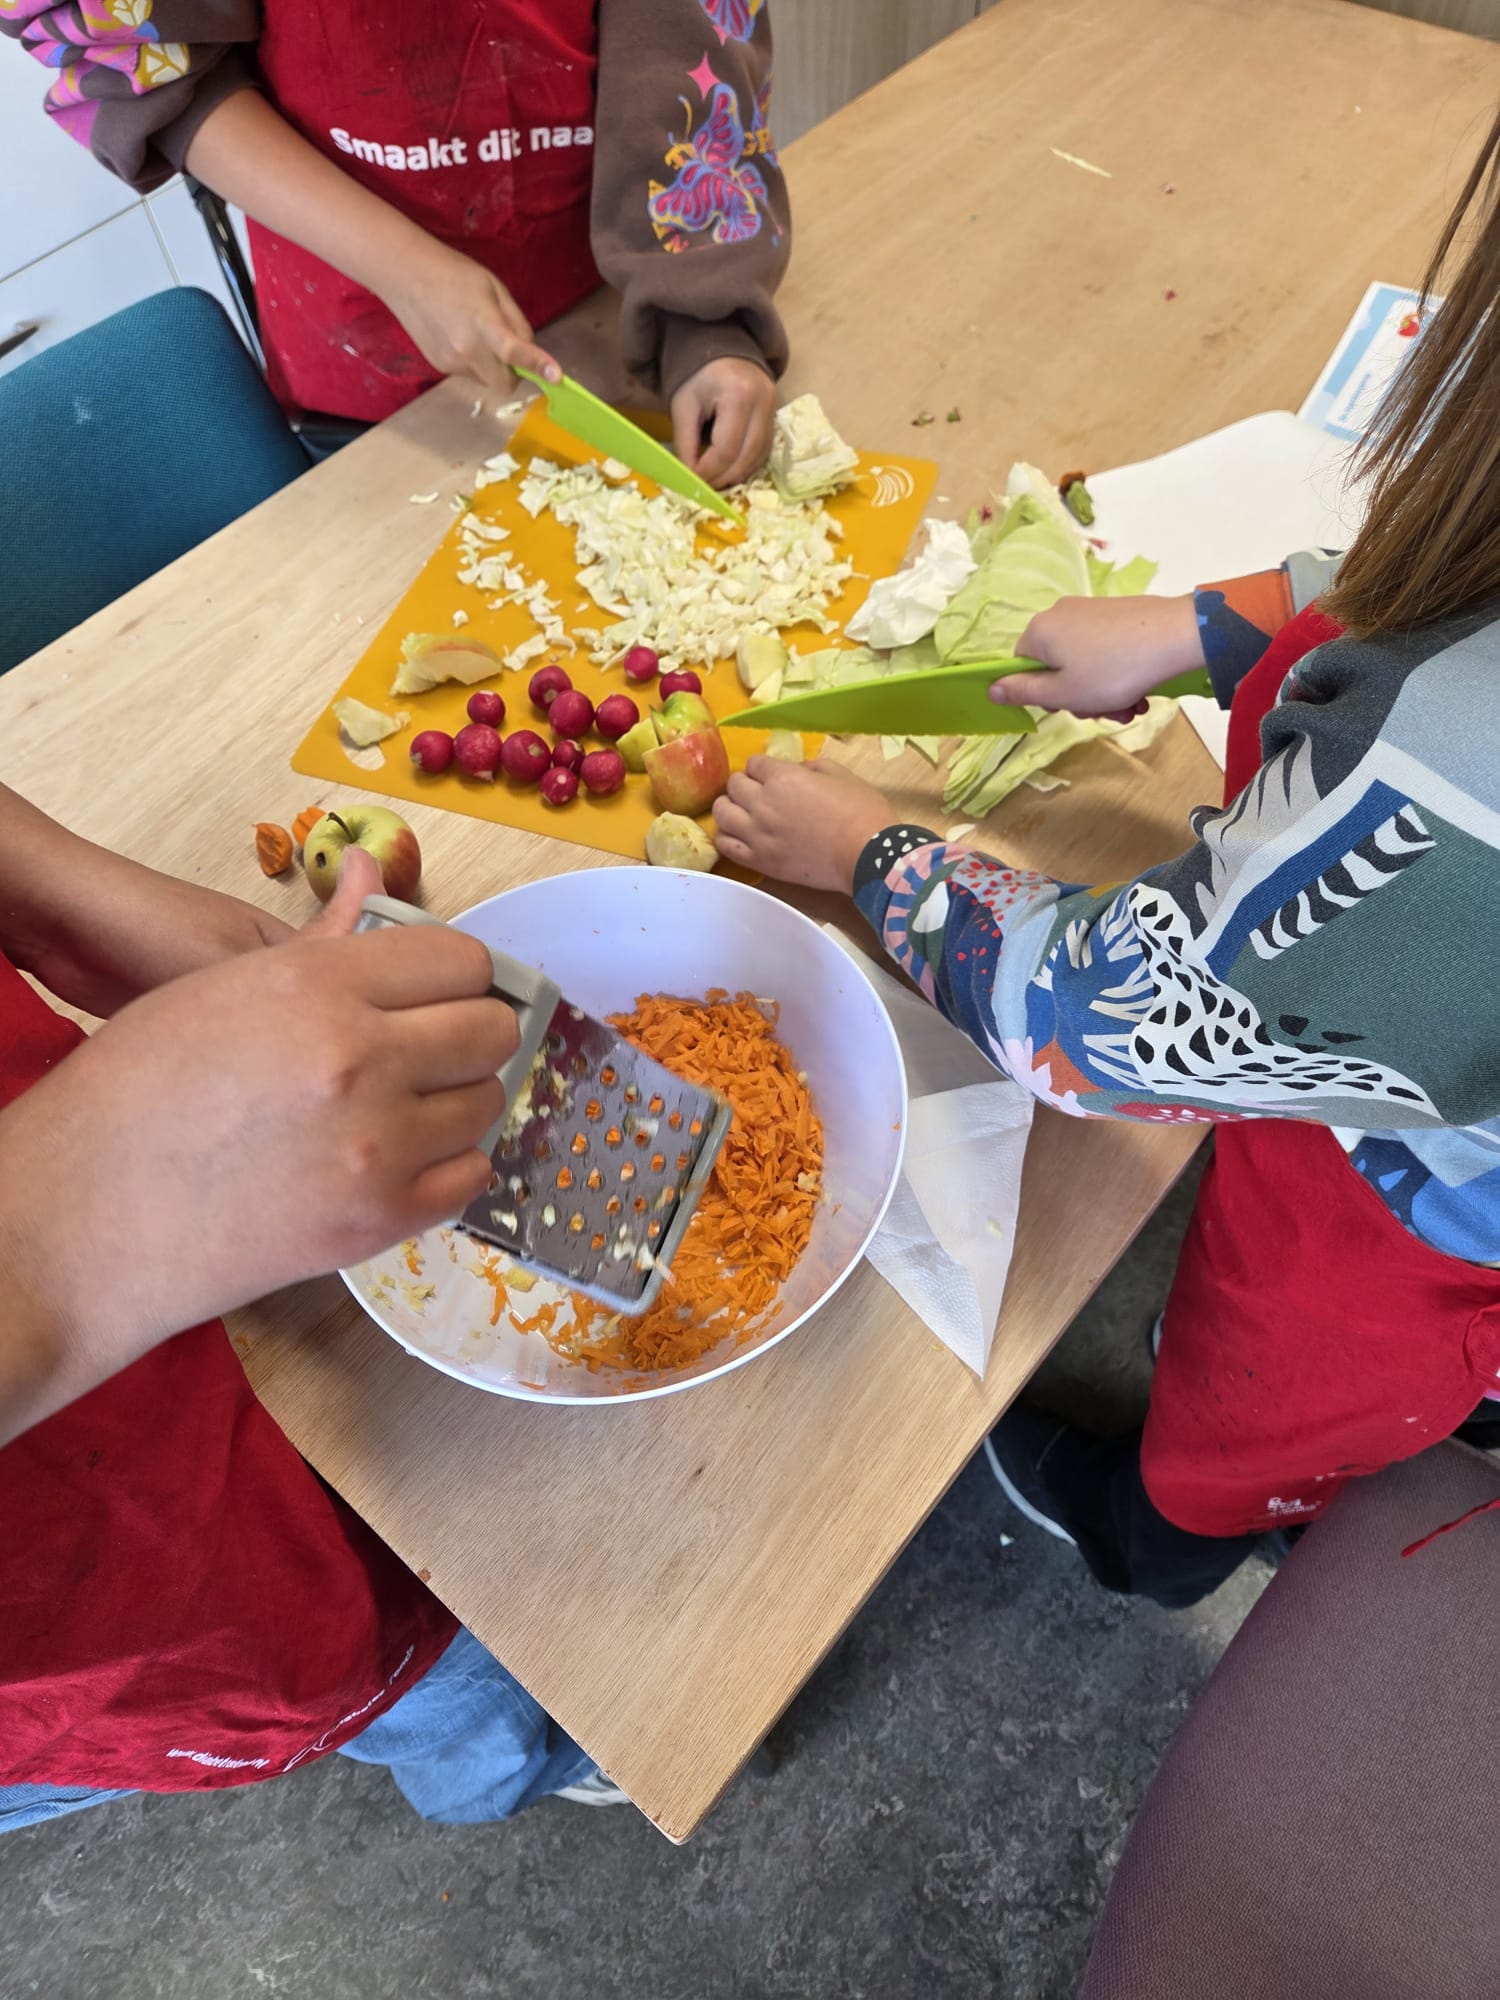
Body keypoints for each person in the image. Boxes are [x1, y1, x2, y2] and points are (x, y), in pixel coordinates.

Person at [713, 103, 1500, 1608]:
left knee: (1269, 1397)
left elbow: (1103, 1024)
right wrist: (1211, 625)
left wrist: (872, 848)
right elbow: (1458, 590)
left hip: (1412, 1216)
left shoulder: (1458, 774)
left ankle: (1164, 1538)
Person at [0, 783, 623, 1831]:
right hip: (102, 1582)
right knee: (401, 1674)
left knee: (424, 1570)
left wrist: (57, 889)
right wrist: (68, 1220)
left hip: (218, 1286)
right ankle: (516, 1772)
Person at [2, 0, 789, 486]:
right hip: (365, 360)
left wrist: (703, 311)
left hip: (612, 322)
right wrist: (403, 268)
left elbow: (685, 30)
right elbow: (144, 71)